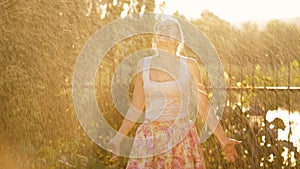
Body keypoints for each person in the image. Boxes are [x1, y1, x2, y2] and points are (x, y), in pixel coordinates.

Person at [108, 17, 241, 169]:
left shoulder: (189, 65)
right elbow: (136, 107)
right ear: (154, 37)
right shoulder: (143, 65)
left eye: (169, 28)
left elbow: (203, 106)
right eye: (160, 28)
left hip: (180, 138)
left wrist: (224, 140)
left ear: (178, 39)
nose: (163, 30)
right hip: (149, 139)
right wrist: (117, 139)